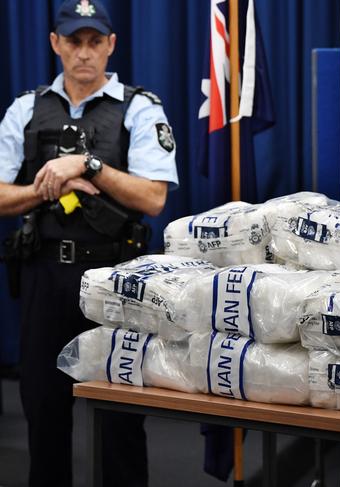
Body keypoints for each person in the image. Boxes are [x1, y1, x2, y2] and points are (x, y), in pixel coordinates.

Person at [0, 1, 178, 485]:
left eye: (94, 41)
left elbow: (154, 197)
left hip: (114, 280)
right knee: (42, 408)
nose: (84, 52)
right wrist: (50, 184)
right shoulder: (27, 108)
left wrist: (88, 166)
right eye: (73, 41)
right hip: (45, 276)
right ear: (56, 43)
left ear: (111, 45)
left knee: (121, 415)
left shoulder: (140, 108)